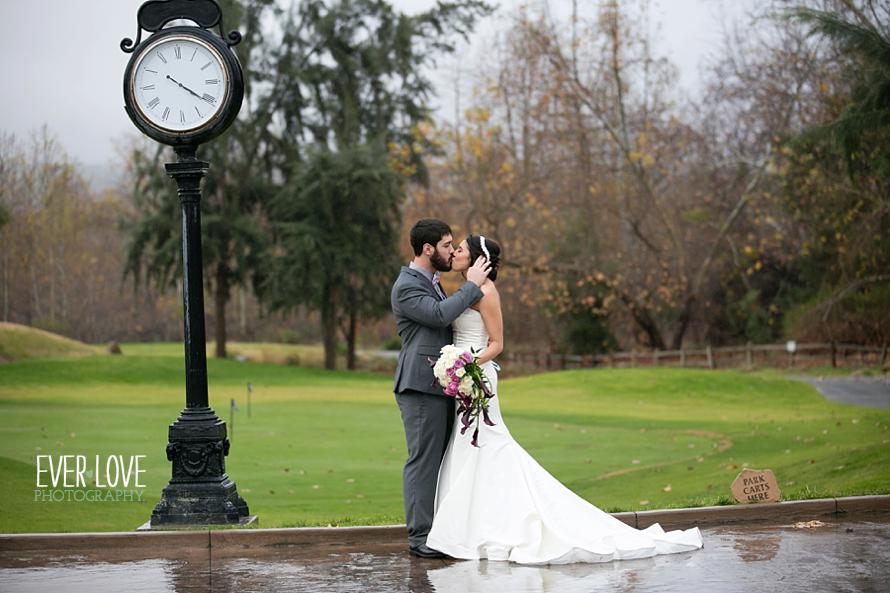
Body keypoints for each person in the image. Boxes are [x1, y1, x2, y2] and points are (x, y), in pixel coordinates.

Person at [425, 235, 704, 565]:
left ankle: (492, 525)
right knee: (471, 446)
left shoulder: (486, 292)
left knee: (487, 444)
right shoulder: (466, 290)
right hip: (463, 377)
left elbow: (497, 344)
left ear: (477, 260)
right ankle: (472, 526)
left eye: (461, 250)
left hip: (478, 375)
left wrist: (468, 365)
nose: (455, 253)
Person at [391, 219, 492, 559]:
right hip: (419, 387)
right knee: (423, 461)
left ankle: (441, 530)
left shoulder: (433, 281)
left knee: (443, 460)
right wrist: (473, 285)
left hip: (442, 384)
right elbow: (437, 316)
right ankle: (420, 538)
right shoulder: (407, 286)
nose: (452, 251)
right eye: (448, 245)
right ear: (428, 249)